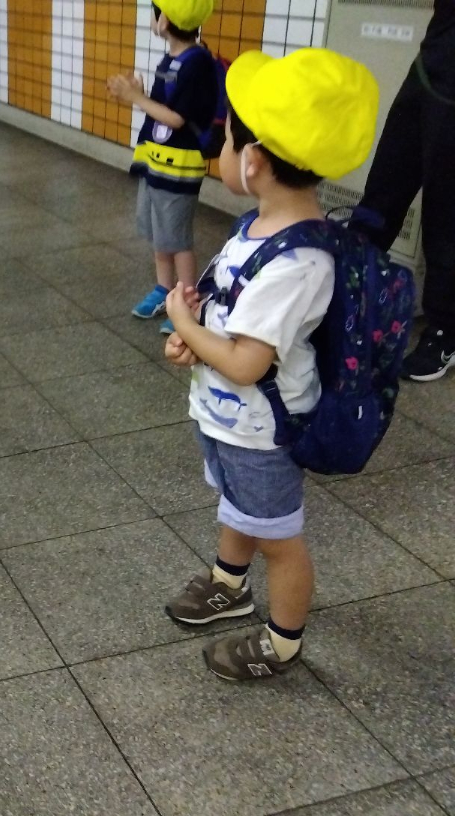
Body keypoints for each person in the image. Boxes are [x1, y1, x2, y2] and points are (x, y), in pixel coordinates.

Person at [162, 48, 378, 680]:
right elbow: (234, 326)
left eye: (226, 138)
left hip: (260, 431)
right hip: (230, 418)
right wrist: (196, 332)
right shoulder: (257, 227)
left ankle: (283, 641)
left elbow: (248, 363)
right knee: (239, 508)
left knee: (278, 539)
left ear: (252, 161)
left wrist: (184, 327)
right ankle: (230, 583)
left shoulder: (296, 263)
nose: (221, 147)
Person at [355, 2, 455, 382]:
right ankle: (348, 291)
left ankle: (444, 330)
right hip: (433, 58)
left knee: (444, 210)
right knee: (385, 185)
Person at [108, 0, 217, 336]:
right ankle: (163, 289)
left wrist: (135, 98)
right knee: (159, 233)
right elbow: (162, 109)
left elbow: (177, 118)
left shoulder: (197, 63)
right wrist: (140, 95)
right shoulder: (172, 59)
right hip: (157, 161)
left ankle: (187, 300)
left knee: (178, 239)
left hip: (179, 168)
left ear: (165, 19)